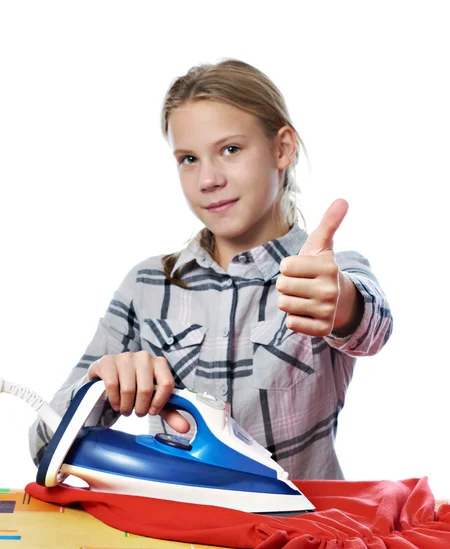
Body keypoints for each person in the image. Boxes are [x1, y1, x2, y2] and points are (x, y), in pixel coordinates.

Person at [29, 58, 393, 480]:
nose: (207, 180)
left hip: (300, 538)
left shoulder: (326, 275)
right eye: (188, 159)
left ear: (282, 148)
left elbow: (375, 326)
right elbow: (43, 446)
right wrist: (100, 390)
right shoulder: (146, 286)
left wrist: (342, 303)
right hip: (180, 539)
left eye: (230, 150)